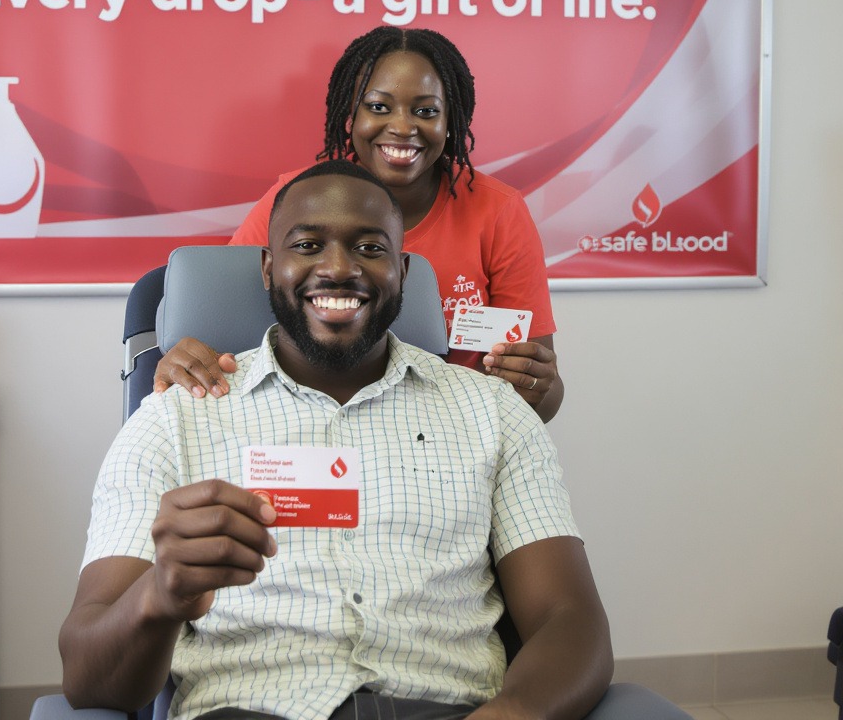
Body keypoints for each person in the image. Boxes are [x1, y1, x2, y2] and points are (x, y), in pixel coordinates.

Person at [60, 160, 612, 720]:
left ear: (403, 270)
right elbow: (87, 678)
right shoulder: (175, 419)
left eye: (370, 248)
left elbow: (570, 620)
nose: (338, 268)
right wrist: (160, 595)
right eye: (307, 246)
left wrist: (515, 712)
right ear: (268, 267)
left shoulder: (493, 412)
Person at [154, 25, 564, 422]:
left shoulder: (498, 212)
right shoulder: (297, 201)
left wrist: (536, 387)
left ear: (451, 120)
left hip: (449, 434)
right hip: (303, 423)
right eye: (379, 107)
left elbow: (540, 398)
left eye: (426, 111)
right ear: (351, 113)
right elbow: (219, 328)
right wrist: (188, 359)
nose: (402, 127)